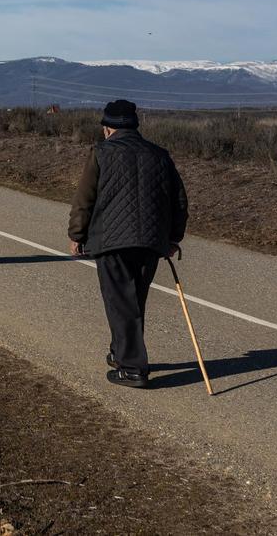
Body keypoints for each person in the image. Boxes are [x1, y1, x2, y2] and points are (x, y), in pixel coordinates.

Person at [68, 100, 188, 388]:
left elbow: (86, 198)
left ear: (108, 129)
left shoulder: (100, 154)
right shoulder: (159, 155)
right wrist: (173, 238)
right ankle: (120, 352)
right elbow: (179, 201)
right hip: (150, 242)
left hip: (112, 241)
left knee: (120, 302)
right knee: (133, 300)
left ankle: (133, 369)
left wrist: (77, 235)